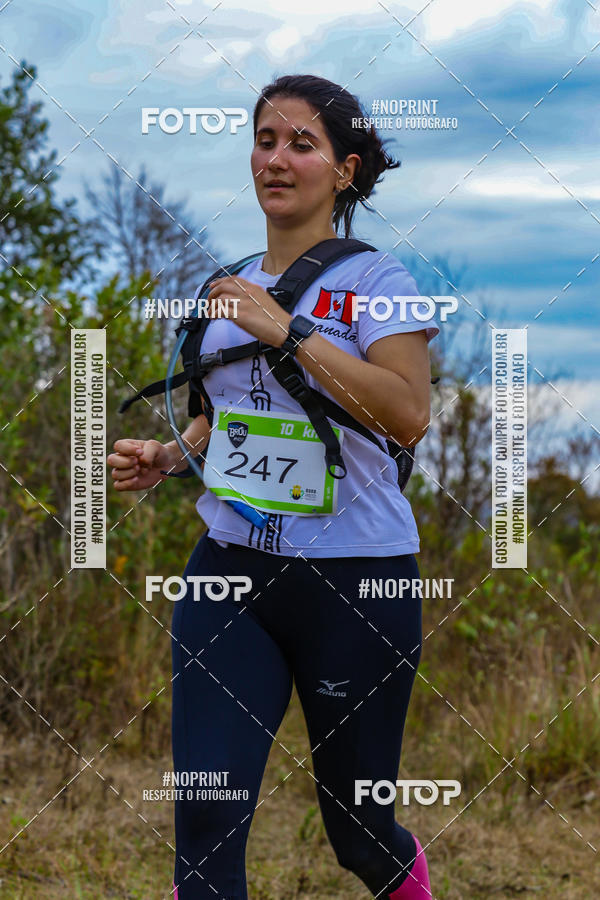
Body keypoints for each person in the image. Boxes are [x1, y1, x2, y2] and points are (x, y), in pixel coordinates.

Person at [108, 74, 439, 900]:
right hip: (229, 575)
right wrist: (171, 457)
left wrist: (286, 330)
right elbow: (228, 421)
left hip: (357, 581)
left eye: (302, 144)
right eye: (265, 140)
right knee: (206, 822)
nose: (277, 159)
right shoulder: (226, 286)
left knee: (358, 834)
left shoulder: (380, 281)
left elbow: (407, 415)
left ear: (347, 170)